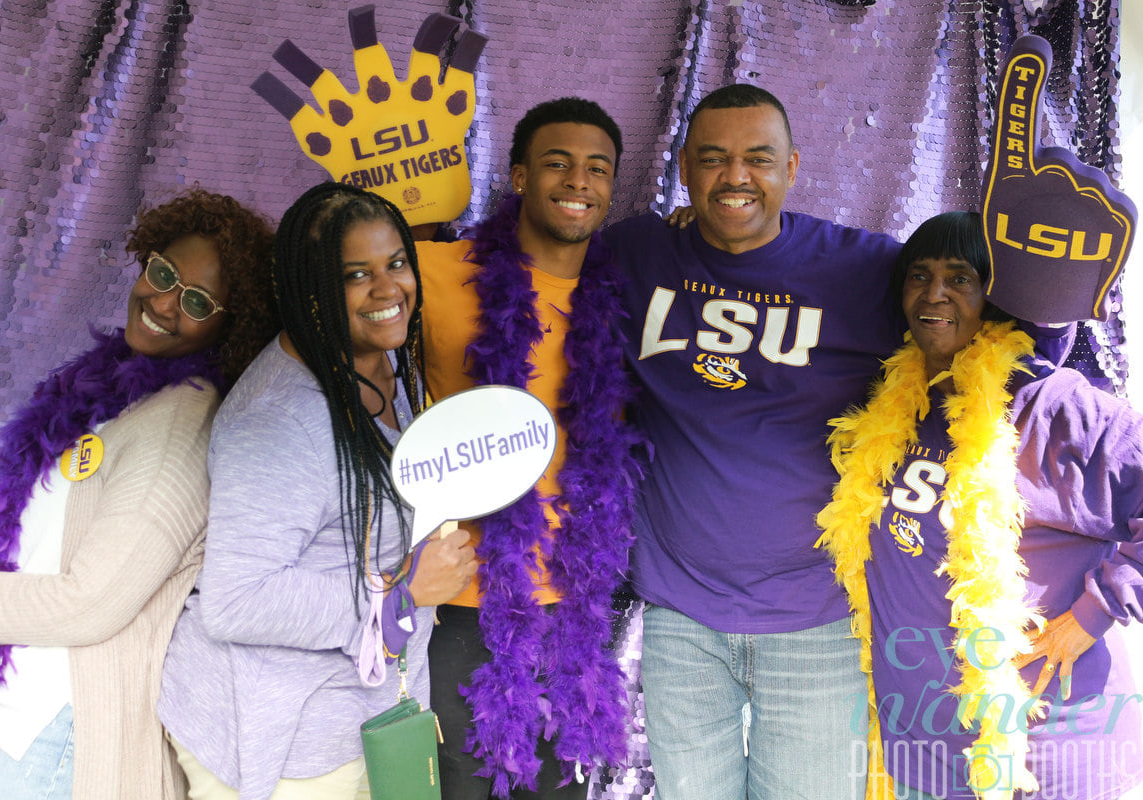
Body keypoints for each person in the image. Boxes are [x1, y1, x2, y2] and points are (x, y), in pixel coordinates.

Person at [602, 83, 904, 798]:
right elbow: (533, 271)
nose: (735, 176)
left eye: (757, 159)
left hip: (817, 618)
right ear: (683, 169)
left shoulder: (866, 271)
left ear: (792, 168)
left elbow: (978, 337)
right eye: (713, 160)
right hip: (683, 618)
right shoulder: (636, 252)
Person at [0, 187, 280, 800]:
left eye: (197, 301)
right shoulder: (107, 396)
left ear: (231, 326)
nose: (164, 302)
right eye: (163, 273)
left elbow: (90, 603)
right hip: (12, 713)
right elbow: (28, 542)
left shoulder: (178, 430)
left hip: (58, 735)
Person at [157, 182, 478, 800]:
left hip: (355, 717)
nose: (388, 290)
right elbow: (238, 600)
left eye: (396, 263)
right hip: (284, 745)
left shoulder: (377, 360)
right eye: (356, 274)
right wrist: (403, 596)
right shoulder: (279, 422)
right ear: (309, 290)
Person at [817, 210, 1143, 799]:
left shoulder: (1049, 407)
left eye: (960, 277)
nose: (934, 293)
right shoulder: (895, 406)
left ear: (996, 295)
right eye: (919, 275)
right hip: (924, 753)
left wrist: (1094, 613)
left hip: (1044, 753)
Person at [417, 97, 641, 799]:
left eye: (597, 168)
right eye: (557, 163)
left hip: (575, 611)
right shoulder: (430, 271)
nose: (579, 181)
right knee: (462, 786)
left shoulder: (624, 296)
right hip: (461, 599)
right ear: (517, 176)